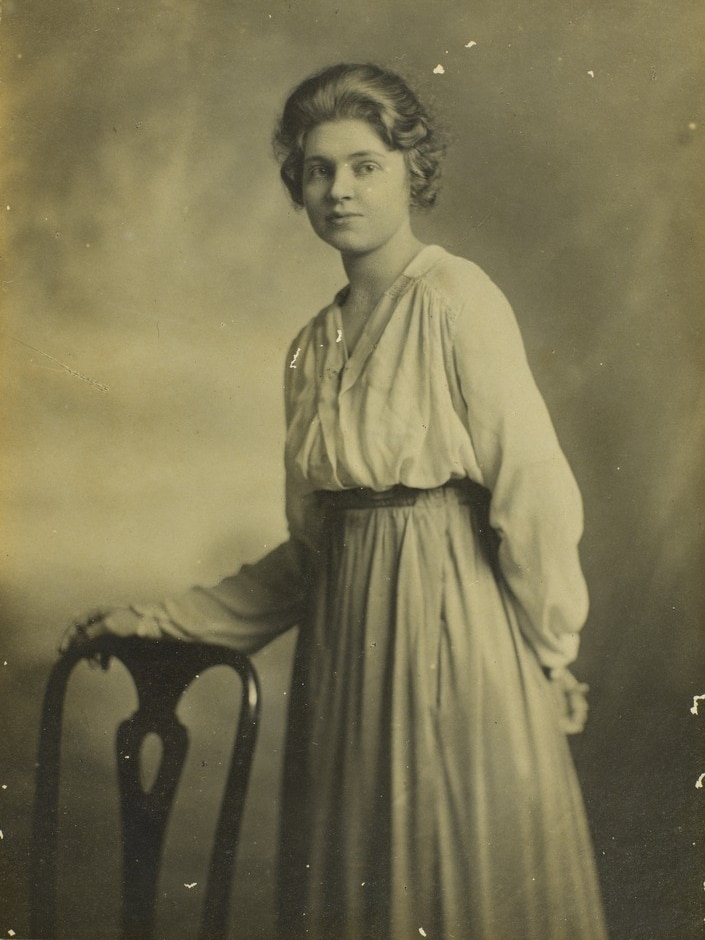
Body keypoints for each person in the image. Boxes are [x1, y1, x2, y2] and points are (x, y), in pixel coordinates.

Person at [63, 63, 608, 940]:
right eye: (318, 170)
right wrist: (164, 619)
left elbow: (533, 488)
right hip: (345, 658)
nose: (339, 189)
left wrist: (548, 648)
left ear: (410, 171)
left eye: (364, 164)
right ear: (298, 185)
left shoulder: (456, 298)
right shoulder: (309, 347)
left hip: (454, 648)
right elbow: (309, 553)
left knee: (454, 883)